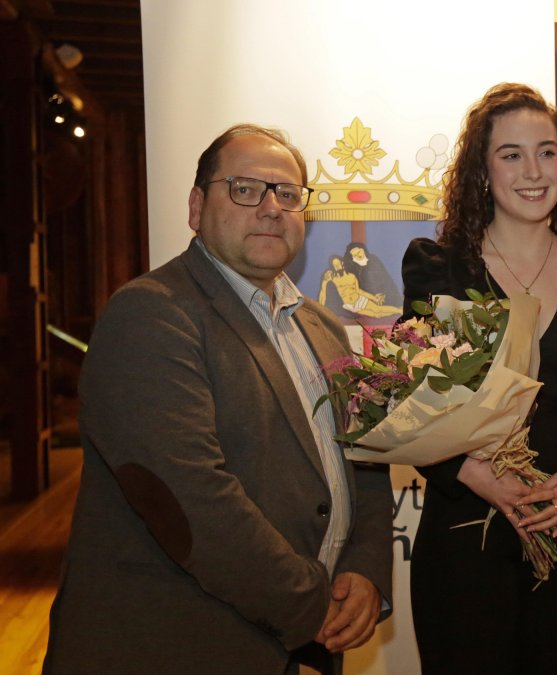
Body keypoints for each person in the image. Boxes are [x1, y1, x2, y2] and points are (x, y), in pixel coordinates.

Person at [43, 124, 395, 675]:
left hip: (299, 643)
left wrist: (367, 570)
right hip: (179, 644)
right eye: (245, 189)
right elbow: (189, 499)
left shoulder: (323, 326)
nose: (272, 208)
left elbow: (367, 458)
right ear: (195, 205)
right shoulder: (152, 314)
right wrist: (313, 604)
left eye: (288, 193)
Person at [400, 83, 557, 674]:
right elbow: (403, 402)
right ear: (483, 170)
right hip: (463, 523)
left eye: (547, 151)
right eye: (511, 154)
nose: (533, 170)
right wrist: (469, 473)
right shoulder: (442, 266)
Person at [319, 255, 405, 317]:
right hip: (350, 305)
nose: (337, 267)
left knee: (378, 309)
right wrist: (324, 282)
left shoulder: (351, 276)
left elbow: (359, 291)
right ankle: (398, 310)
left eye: (338, 264)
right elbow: (323, 297)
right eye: (335, 265)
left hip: (359, 299)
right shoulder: (333, 279)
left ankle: (399, 310)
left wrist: (373, 298)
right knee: (376, 314)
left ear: (342, 263)